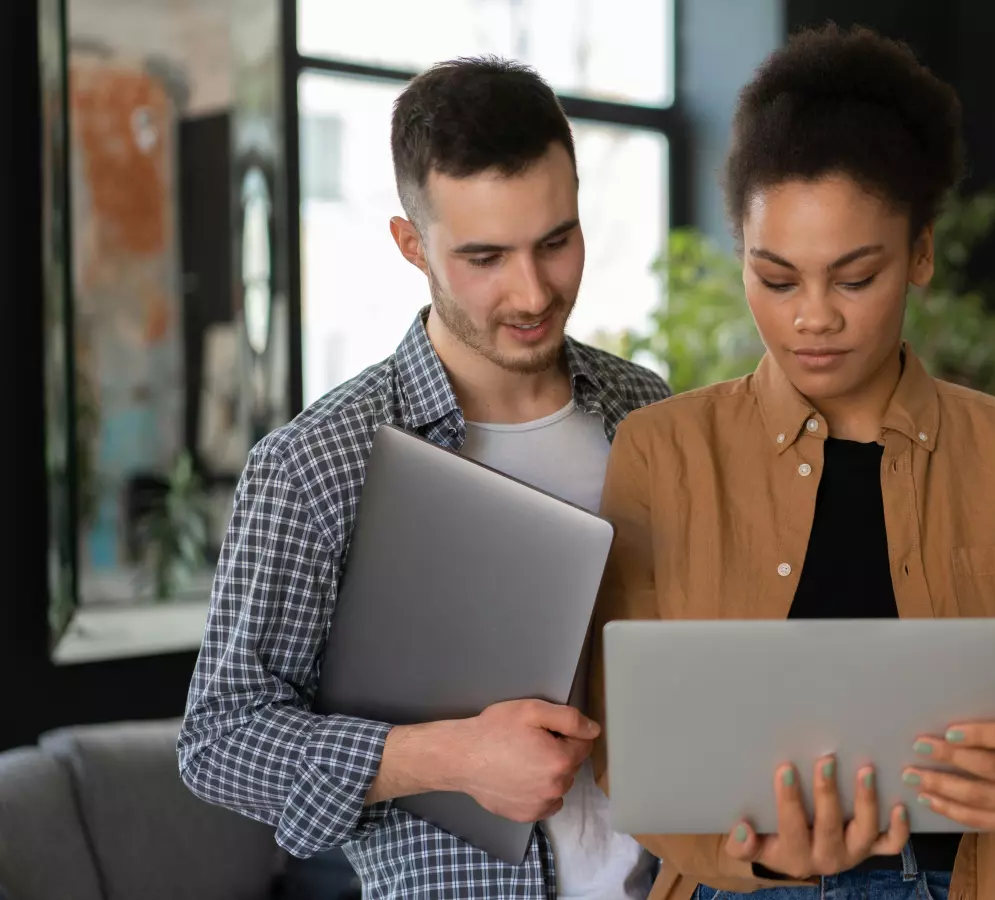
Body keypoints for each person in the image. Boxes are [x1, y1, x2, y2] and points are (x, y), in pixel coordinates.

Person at [589, 24, 995, 900]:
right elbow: (627, 747)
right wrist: (765, 855)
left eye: (853, 279)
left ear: (920, 253)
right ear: (742, 259)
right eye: (776, 278)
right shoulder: (661, 454)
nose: (813, 317)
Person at [178, 57, 668, 900]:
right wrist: (450, 757)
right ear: (413, 245)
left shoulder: (648, 411)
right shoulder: (319, 463)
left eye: (557, 241)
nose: (533, 291)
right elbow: (219, 741)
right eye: (485, 257)